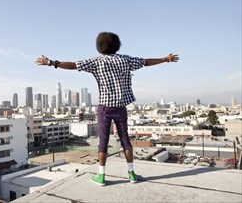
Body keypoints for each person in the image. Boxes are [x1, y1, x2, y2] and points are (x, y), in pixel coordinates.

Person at [35, 32, 179, 186]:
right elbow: (146, 62)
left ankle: (102, 176)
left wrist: (51, 62)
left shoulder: (97, 62)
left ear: (99, 47)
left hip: (104, 107)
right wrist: (165, 59)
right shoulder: (126, 60)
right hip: (121, 107)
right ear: (117, 45)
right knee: (125, 139)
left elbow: (73, 65)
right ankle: (131, 174)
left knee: (103, 140)